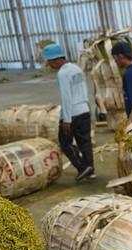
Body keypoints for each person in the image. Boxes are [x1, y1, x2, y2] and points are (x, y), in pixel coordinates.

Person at [43, 43, 95, 181]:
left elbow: (66, 97)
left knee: (65, 143)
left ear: (55, 60)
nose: (50, 66)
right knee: (85, 142)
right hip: (84, 110)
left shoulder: (63, 73)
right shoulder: (76, 68)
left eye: (50, 62)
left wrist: (66, 120)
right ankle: (90, 168)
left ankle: (82, 167)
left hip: (73, 113)